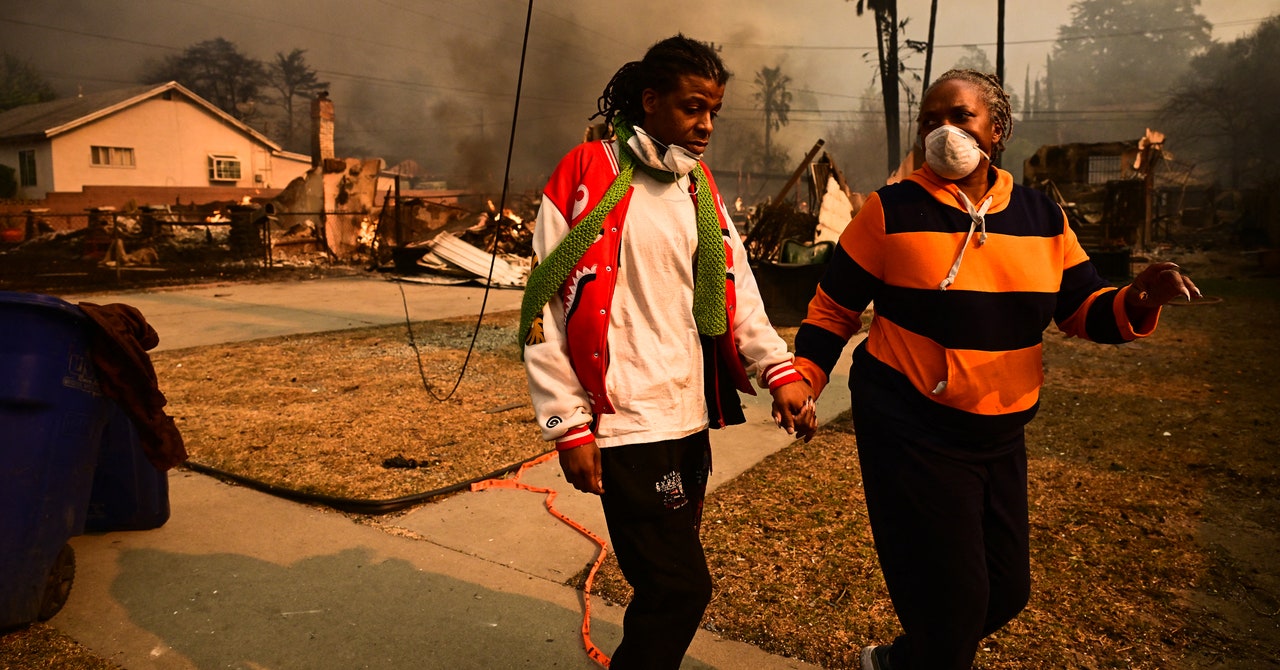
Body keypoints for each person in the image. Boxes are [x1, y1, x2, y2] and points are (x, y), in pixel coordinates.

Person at [790, 69, 1201, 670]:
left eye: (960, 117)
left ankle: (896, 664)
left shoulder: (1042, 216)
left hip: (1000, 432)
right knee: (954, 609)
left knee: (1007, 592)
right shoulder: (889, 211)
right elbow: (834, 307)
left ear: (998, 130)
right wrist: (806, 377)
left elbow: (1083, 310)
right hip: (911, 428)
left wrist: (1139, 299)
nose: (942, 131)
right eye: (930, 120)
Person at [519, 34, 816, 669]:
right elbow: (543, 311)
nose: (706, 125)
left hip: (686, 420)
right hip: (624, 425)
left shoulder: (697, 187)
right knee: (679, 589)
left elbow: (738, 290)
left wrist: (778, 369)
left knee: (666, 586)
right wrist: (565, 425)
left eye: (713, 111)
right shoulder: (583, 173)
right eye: (691, 108)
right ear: (650, 101)